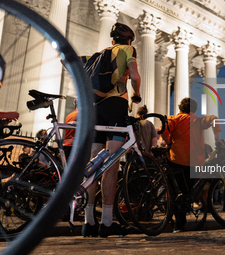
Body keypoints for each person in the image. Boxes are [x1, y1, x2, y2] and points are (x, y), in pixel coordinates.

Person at [82, 23, 141, 238]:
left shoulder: (97, 55)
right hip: (115, 106)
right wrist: (137, 94)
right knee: (111, 163)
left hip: (95, 109)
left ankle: (89, 221)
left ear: (112, 39)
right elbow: (134, 76)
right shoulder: (128, 50)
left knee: (94, 162)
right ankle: (106, 221)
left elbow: (67, 62)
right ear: (129, 40)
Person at [161, 97, 223, 232]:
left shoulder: (174, 119)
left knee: (180, 192)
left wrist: (169, 142)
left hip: (175, 159)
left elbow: (164, 129)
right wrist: (217, 139)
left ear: (180, 108)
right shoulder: (198, 120)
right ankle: (179, 223)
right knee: (187, 193)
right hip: (194, 161)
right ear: (194, 109)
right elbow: (214, 118)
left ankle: (179, 222)